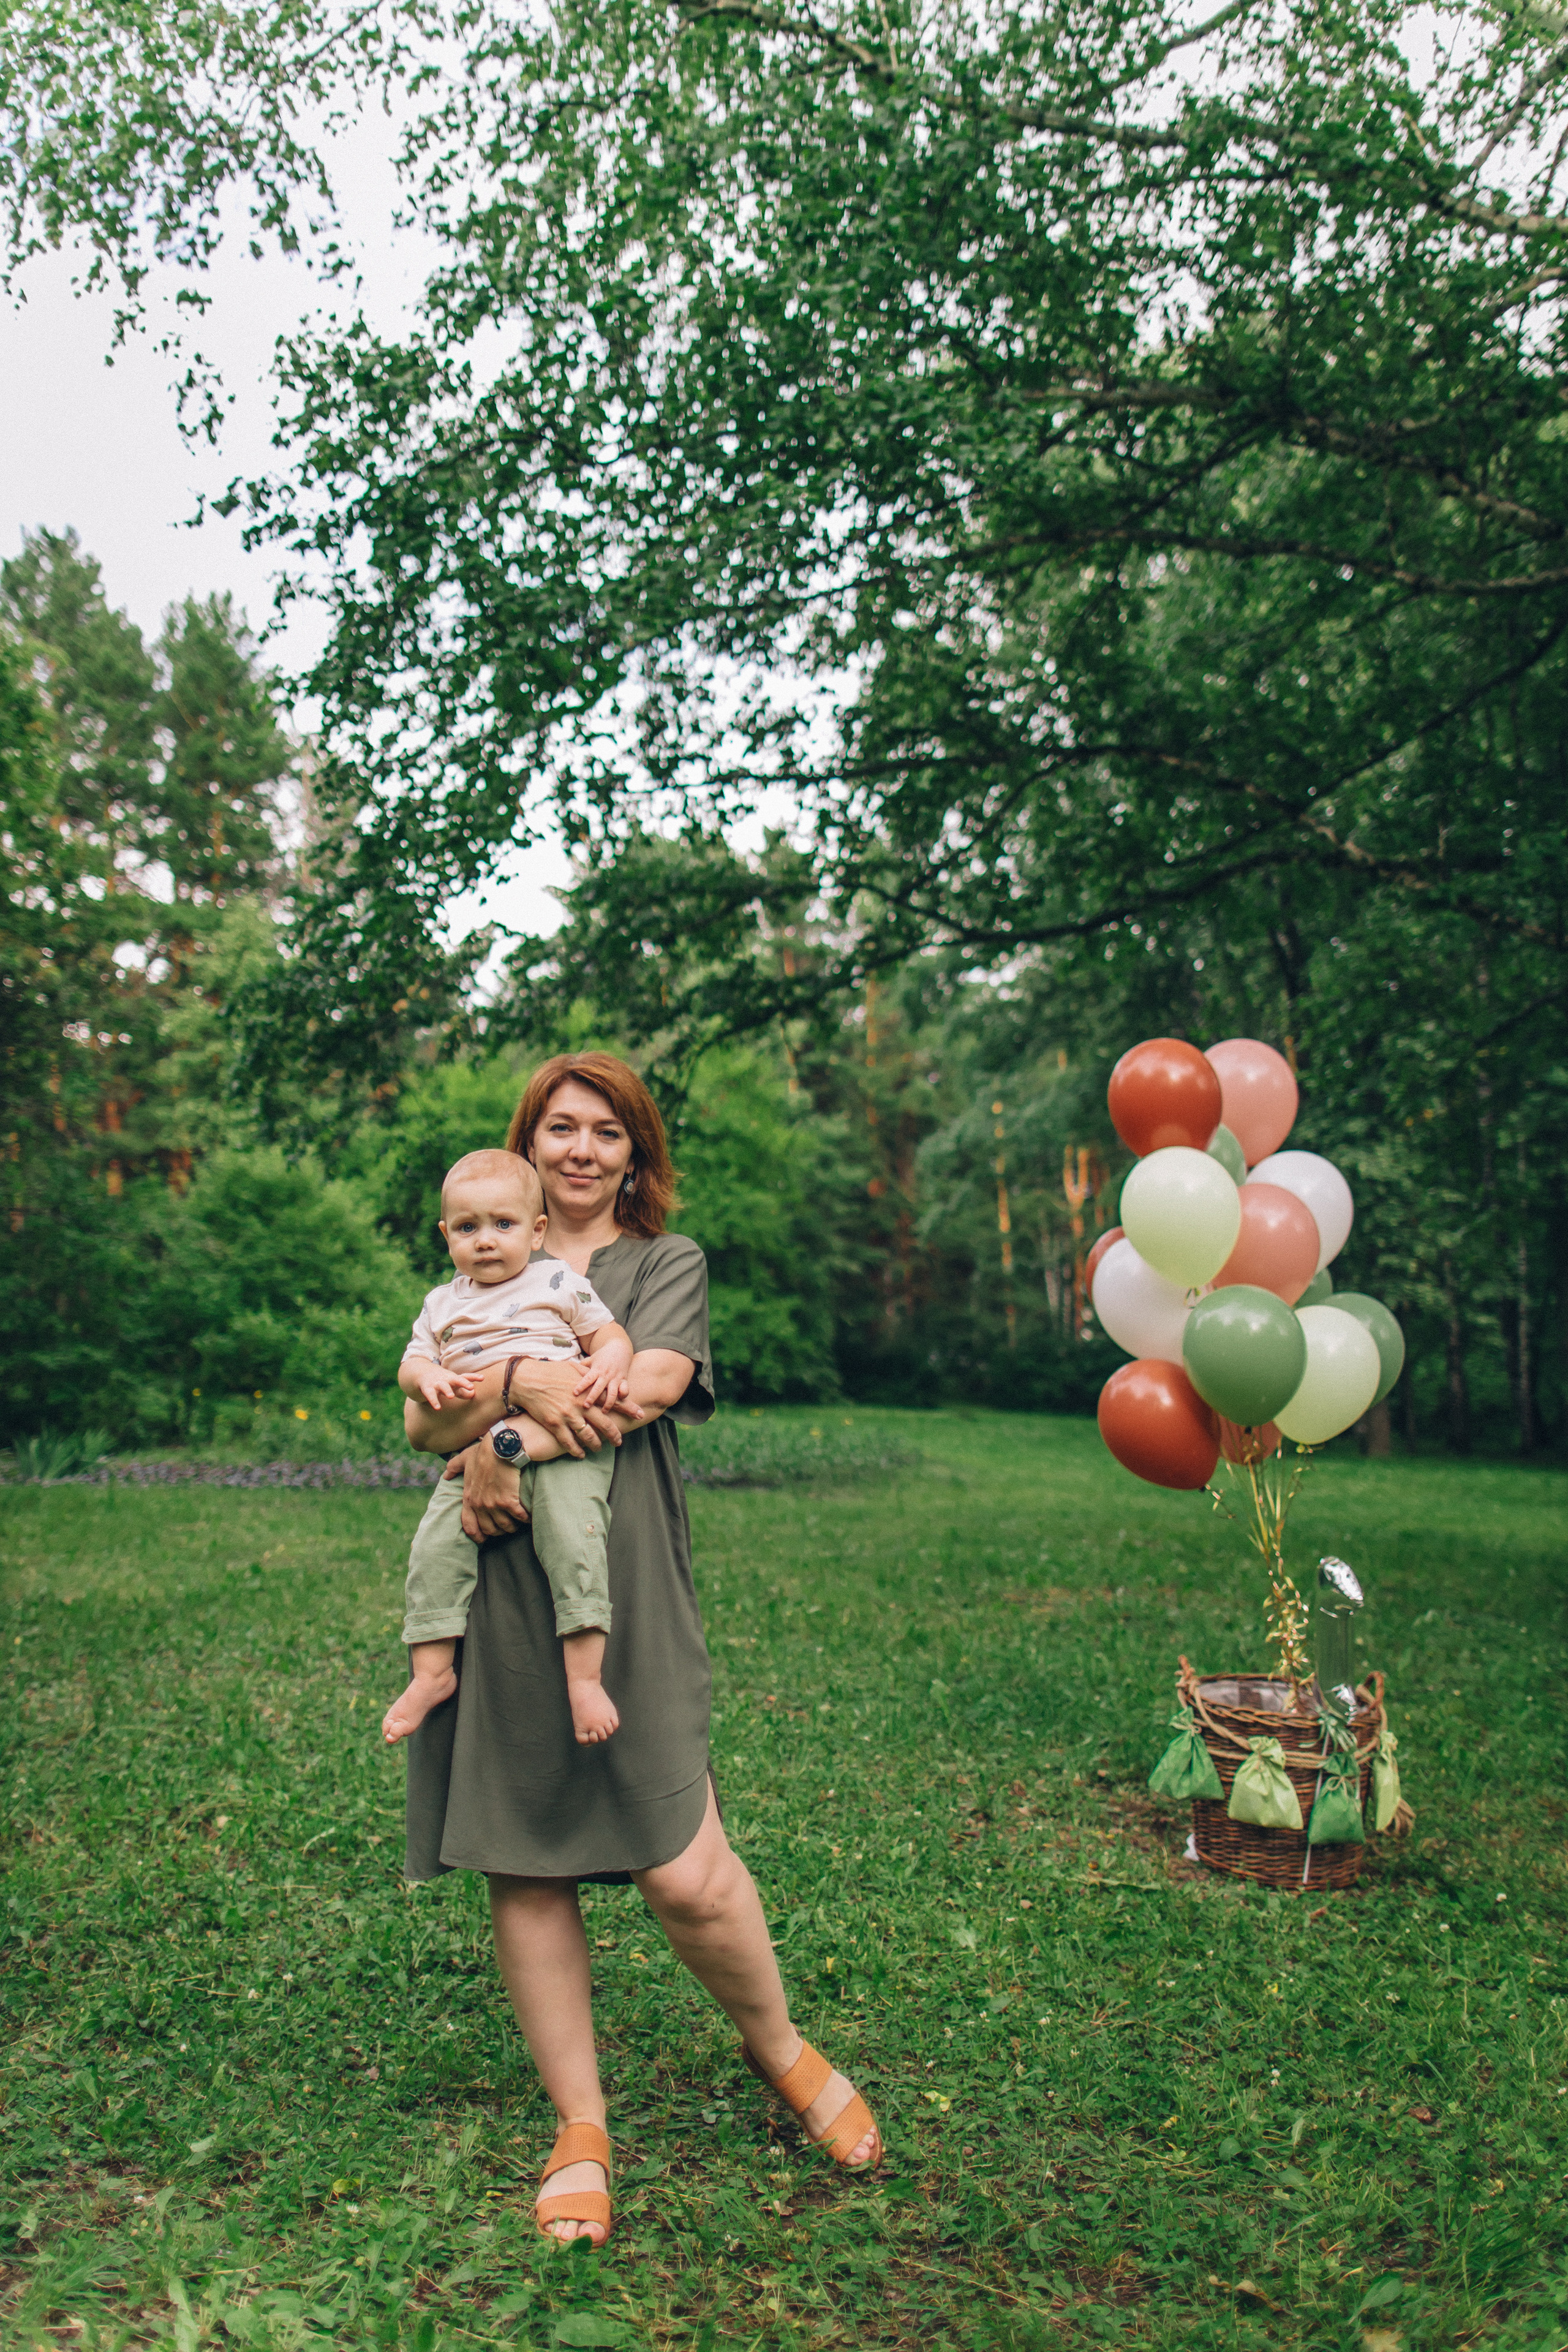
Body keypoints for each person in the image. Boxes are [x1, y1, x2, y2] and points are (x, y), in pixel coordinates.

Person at [401, 1051, 881, 2248]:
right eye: (559, 1127)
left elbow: (643, 1390)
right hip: (501, 1587)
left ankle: (779, 2047)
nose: (580, 1149)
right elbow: (417, 1416)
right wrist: (520, 1379)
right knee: (525, 1858)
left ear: (634, 1155)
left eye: (605, 1132)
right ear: (527, 1144)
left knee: (684, 1869)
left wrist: (496, 1438)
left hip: (624, 1586)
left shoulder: (663, 1265)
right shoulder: (475, 1267)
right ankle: (581, 2123)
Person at [382, 1148, 633, 1749]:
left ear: (536, 1230)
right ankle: (432, 1673)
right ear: (446, 1236)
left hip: (562, 1442)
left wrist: (611, 1362)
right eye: (467, 1228)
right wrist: (427, 1378)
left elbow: (609, 1336)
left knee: (574, 1540)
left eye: (503, 1224)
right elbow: (412, 1366)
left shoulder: (557, 1282)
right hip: (473, 1450)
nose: (486, 1240)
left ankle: (585, 1681)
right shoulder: (441, 1303)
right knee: (433, 1549)